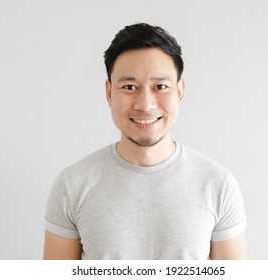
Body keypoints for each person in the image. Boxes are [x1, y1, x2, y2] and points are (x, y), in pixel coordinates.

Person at [43, 23, 248, 260]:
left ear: (180, 92)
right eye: (129, 87)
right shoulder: (72, 185)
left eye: (160, 86)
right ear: (109, 93)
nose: (145, 104)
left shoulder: (218, 184)